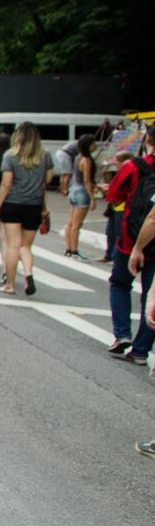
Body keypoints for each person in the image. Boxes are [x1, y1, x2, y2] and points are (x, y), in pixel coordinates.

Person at [103, 132, 155, 363]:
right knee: (151, 296)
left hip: (131, 238)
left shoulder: (133, 166)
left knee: (120, 283)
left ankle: (122, 333)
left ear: (148, 141)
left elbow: (114, 195)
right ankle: (141, 350)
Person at [0, 120, 47, 296]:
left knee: (12, 246)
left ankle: (9, 284)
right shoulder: (45, 155)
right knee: (26, 246)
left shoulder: (10, 155)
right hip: (34, 205)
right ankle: (29, 274)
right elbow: (46, 181)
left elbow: (6, 184)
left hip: (13, 204)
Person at [63, 135, 98, 258]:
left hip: (74, 190)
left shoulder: (78, 157)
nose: (96, 146)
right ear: (88, 146)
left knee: (71, 223)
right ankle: (74, 250)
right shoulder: (87, 160)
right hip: (82, 192)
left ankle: (68, 249)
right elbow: (87, 181)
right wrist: (93, 198)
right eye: (94, 144)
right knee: (77, 224)